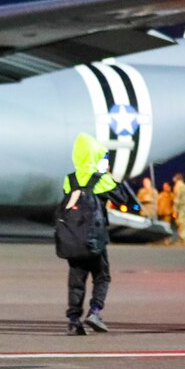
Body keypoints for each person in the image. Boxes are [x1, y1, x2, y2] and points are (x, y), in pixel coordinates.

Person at [62, 133, 130, 335]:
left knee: (76, 280)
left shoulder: (70, 179)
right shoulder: (101, 180)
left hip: (73, 238)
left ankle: (74, 320)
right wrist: (107, 175)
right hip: (95, 238)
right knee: (102, 276)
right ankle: (95, 311)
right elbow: (123, 199)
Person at [172, 173, 185, 245]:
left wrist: (174, 209)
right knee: (184, 223)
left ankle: (182, 240)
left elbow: (176, 199)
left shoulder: (178, 187)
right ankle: (184, 240)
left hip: (180, 208)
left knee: (180, 223)